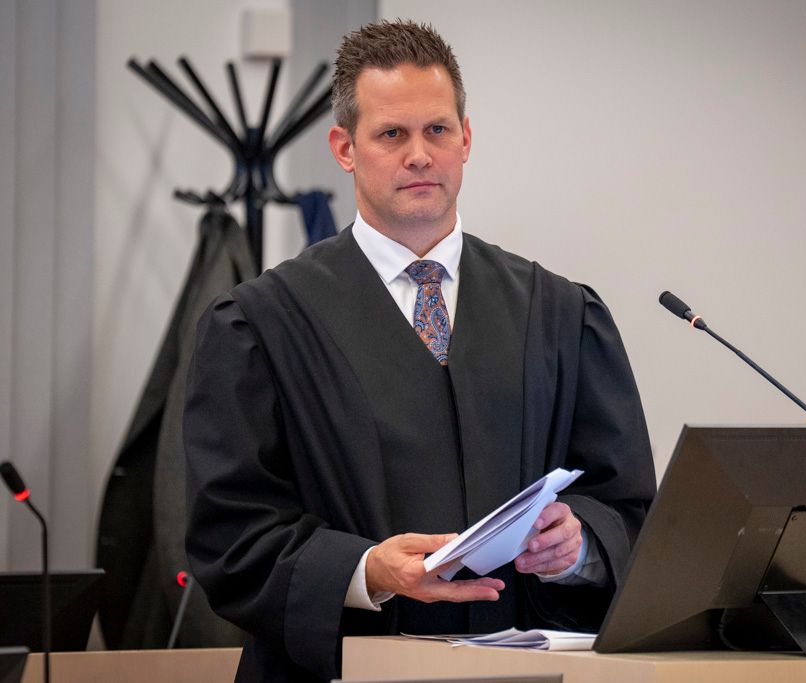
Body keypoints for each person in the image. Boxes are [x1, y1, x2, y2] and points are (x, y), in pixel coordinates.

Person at [183, 19, 656, 683]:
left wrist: (579, 545)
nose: (419, 155)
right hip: (341, 670)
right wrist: (365, 570)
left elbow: (631, 509)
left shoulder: (557, 314)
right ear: (345, 149)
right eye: (391, 134)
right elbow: (229, 536)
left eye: (437, 129)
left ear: (466, 139)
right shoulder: (262, 324)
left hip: (523, 669)